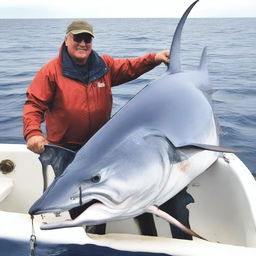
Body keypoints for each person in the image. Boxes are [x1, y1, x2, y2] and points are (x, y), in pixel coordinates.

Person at [23, 20, 193, 239]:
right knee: (83, 207)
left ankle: (147, 236)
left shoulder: (103, 66)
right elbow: (33, 104)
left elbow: (130, 67)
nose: (82, 43)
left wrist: (154, 58)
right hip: (68, 152)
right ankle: (92, 241)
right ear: (66, 39)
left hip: (102, 147)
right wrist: (33, 132)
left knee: (133, 190)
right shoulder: (51, 72)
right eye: (77, 38)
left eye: (87, 39)